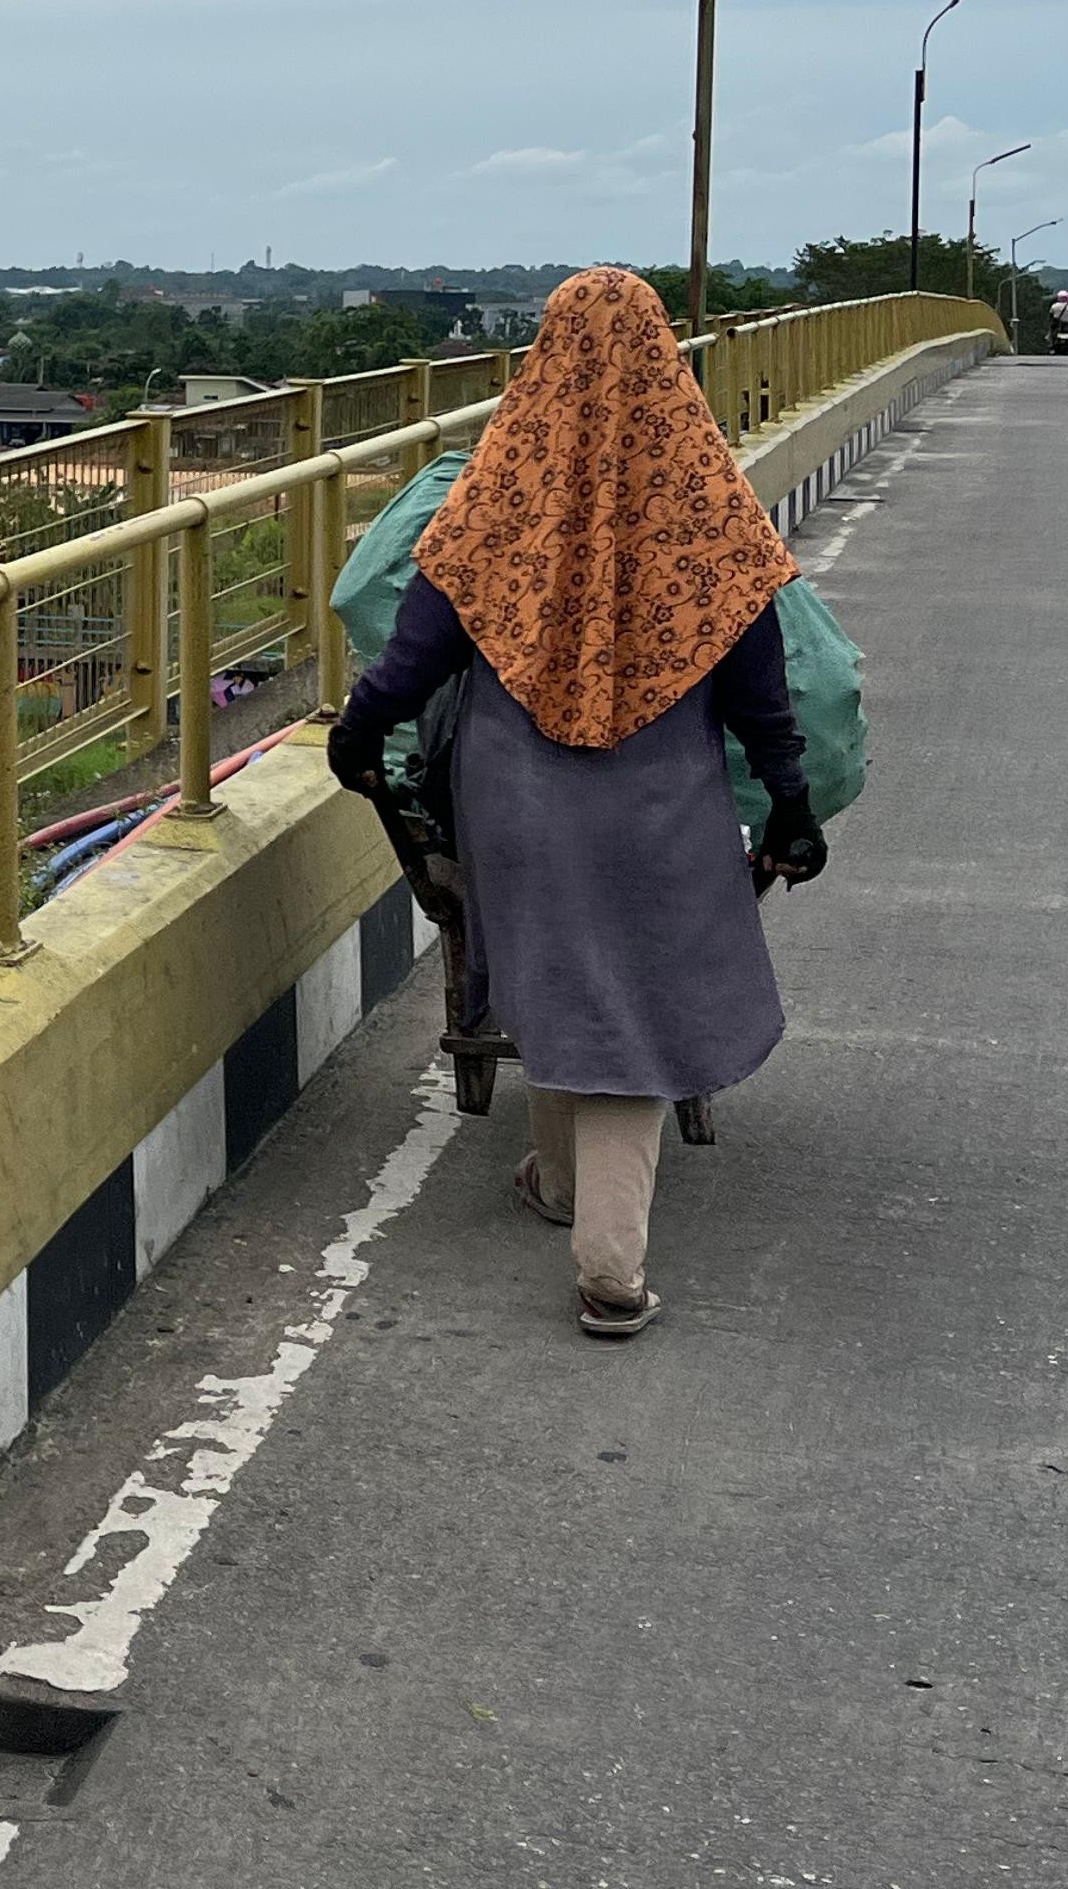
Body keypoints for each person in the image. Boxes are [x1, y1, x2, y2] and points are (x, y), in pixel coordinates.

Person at [327, 266, 820, 1340]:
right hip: (662, 801)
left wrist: (357, 735)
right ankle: (610, 1265)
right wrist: (790, 803)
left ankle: (562, 1189)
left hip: (515, 802)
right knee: (634, 996)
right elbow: (761, 685)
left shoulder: (502, 492)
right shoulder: (703, 501)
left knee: (555, 962)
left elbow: (416, 650)